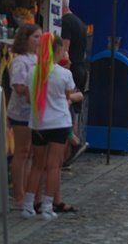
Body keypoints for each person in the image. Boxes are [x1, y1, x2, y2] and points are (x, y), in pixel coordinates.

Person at [23, 34, 83, 220]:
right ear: (58, 51)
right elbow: (68, 95)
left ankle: (28, 205)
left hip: (38, 123)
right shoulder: (64, 74)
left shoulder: (33, 72)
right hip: (59, 123)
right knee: (54, 166)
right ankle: (48, 206)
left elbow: (28, 98)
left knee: (37, 165)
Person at [8, 23, 40, 208]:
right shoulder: (20, 61)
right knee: (22, 151)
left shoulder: (37, 59)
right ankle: (18, 194)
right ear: (25, 39)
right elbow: (18, 87)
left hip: (34, 111)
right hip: (21, 112)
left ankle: (27, 192)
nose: (38, 40)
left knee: (30, 153)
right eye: (35, 37)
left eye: (40, 37)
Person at [60, 0, 88, 137]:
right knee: (75, 112)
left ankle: (70, 142)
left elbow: (65, 50)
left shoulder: (65, 22)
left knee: (68, 111)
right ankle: (74, 142)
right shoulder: (79, 22)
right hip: (81, 67)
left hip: (71, 69)